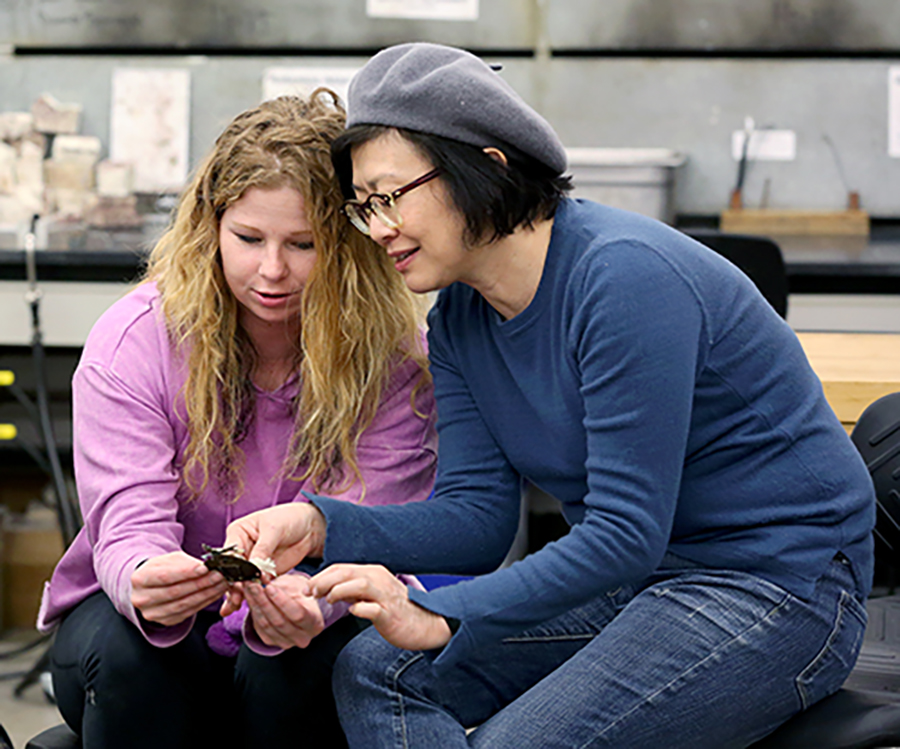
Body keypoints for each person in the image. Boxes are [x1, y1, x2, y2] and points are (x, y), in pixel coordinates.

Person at [223, 43, 875, 748]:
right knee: (379, 668)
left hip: (779, 585)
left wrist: (444, 614)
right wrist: (319, 526)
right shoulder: (461, 320)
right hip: (647, 581)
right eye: (362, 207)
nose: (378, 228)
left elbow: (625, 531)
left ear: (486, 166)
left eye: (390, 197)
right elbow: (477, 520)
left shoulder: (622, 278)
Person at [36, 91, 437, 749]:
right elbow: (126, 520)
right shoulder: (135, 341)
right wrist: (146, 576)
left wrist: (312, 601)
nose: (273, 270)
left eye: (305, 244)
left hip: (313, 615)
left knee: (303, 667)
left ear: (351, 243)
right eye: (248, 238)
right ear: (210, 225)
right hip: (138, 633)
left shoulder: (394, 361)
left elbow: (376, 526)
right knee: (135, 657)